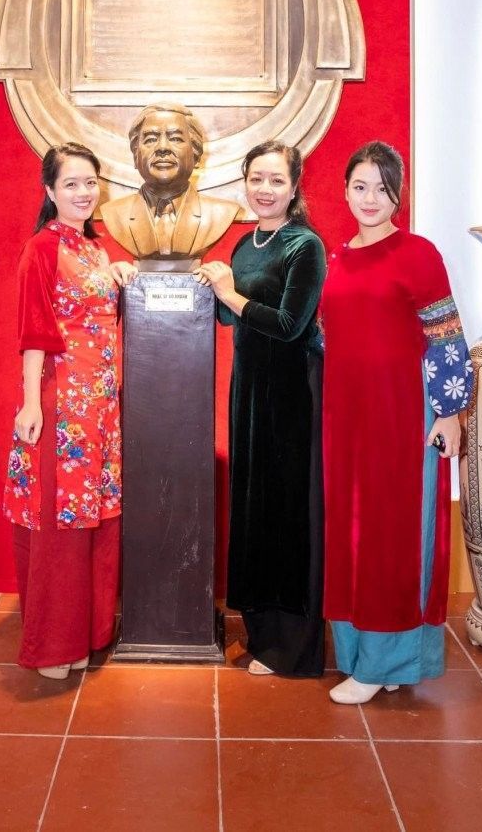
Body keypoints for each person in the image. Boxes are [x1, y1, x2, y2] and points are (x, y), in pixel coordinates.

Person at [322, 141, 473, 704]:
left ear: (398, 195)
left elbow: (447, 338)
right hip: (345, 420)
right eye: (360, 187)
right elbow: (331, 338)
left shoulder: (418, 254)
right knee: (351, 535)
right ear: (344, 191)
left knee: (393, 534)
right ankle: (366, 658)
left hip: (403, 416)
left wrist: (451, 413)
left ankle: (389, 660)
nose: (370, 199)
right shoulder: (337, 259)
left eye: (382, 189)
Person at [3, 142, 136, 679]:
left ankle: (88, 634)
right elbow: (34, 330)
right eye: (71, 184)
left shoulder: (95, 249)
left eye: (89, 183)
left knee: (94, 519)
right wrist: (31, 402)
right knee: (61, 522)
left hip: (101, 405)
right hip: (62, 404)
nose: (83, 193)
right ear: (50, 191)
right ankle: (54, 645)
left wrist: (119, 272)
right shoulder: (41, 248)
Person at [196, 140, 325, 676]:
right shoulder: (245, 244)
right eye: (256, 178)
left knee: (287, 512)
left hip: (292, 393)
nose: (265, 189)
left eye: (276, 180)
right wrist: (204, 284)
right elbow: (232, 320)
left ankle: (292, 649)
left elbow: (291, 325)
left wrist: (228, 293)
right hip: (248, 389)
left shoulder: (305, 246)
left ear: (294, 187)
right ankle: (260, 633)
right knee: (254, 508)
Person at [100, 102, 241, 260]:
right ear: (135, 155)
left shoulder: (219, 213)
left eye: (175, 139)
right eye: (150, 139)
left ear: (195, 154)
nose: (162, 147)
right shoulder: (114, 213)